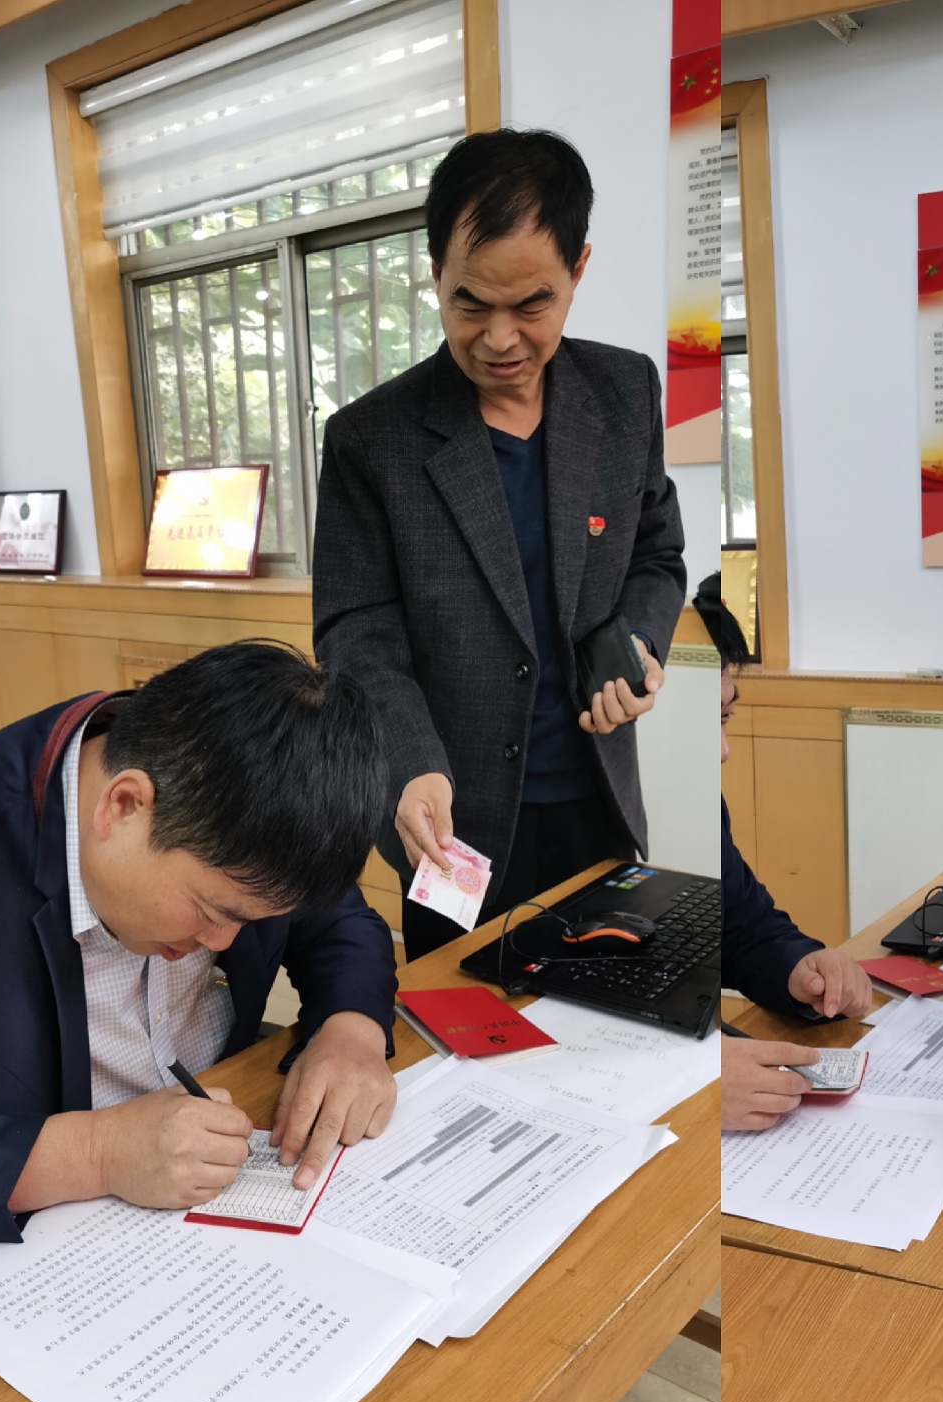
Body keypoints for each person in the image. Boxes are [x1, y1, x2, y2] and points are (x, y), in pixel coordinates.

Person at [314, 128, 686, 962]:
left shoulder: (624, 392)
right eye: (470, 304)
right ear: (434, 275)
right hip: (451, 821)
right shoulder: (371, 439)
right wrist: (409, 763)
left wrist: (637, 639)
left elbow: (656, 553)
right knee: (465, 1021)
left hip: (597, 798)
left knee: (609, 1008)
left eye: (532, 306)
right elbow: (356, 630)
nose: (500, 339)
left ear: (577, 269)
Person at [0, 641, 400, 1243]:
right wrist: (96, 1153)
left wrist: (352, 1032)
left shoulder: (244, 801)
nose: (223, 940)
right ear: (123, 805)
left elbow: (339, 922)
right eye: (212, 911)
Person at [695, 576, 875, 1131]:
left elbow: (743, 928)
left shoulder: (701, 802)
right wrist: (691, 1079)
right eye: (701, 721)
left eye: (725, 717)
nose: (723, 753)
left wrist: (802, 968)